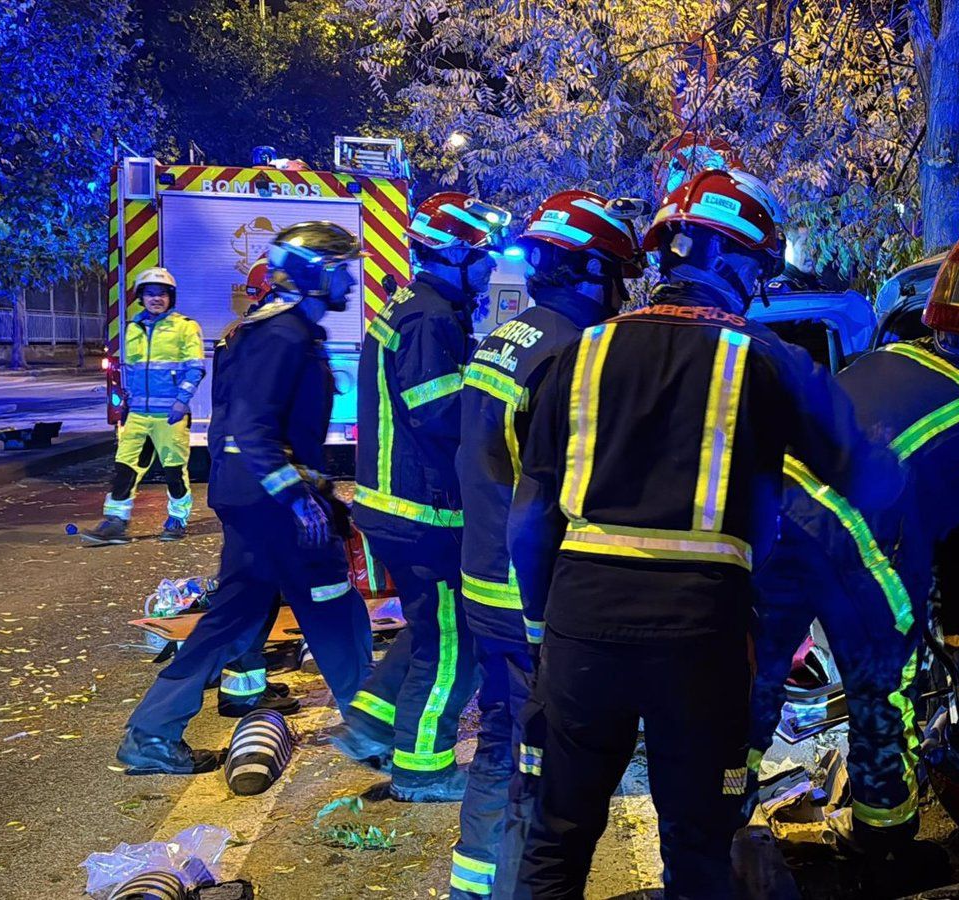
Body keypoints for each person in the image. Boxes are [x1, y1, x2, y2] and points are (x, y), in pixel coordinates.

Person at [507, 169, 901, 899]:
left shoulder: (576, 355)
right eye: (756, 266)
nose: (759, 285)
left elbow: (530, 522)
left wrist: (543, 636)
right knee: (697, 849)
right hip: (701, 640)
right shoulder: (768, 360)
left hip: (581, 630)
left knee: (556, 837)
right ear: (721, 256)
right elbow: (869, 476)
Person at [115, 222, 373, 774]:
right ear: (313, 274)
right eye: (341, 271)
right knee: (332, 605)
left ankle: (151, 733)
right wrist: (298, 499)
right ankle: (376, 731)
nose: (350, 282)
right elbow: (252, 427)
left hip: (256, 497)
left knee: (235, 615)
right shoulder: (283, 336)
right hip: (272, 504)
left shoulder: (281, 331)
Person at [447, 190, 644, 900]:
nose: (623, 293)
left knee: (501, 742)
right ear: (592, 271)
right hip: (530, 592)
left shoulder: (508, 337)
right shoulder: (573, 354)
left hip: (484, 575)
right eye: (618, 275)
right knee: (540, 764)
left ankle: (473, 884)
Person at [747, 338, 959, 860]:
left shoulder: (887, 354)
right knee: (884, 685)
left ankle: (721, 810)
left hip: (775, 509)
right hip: (850, 533)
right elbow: (956, 526)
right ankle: (886, 848)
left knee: (756, 674)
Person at [332, 191, 509, 802]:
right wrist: (503, 408)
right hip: (422, 511)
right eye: (482, 254)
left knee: (431, 625)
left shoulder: (416, 305)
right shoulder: (431, 317)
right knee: (456, 641)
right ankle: (424, 768)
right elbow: (438, 412)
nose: (490, 265)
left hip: (397, 507)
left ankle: (372, 722)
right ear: (453, 253)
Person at [81, 267, 205, 544]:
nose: (156, 298)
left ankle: (177, 519)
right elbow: (129, 370)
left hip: (170, 415)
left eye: (162, 293)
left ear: (170, 297)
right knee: (125, 467)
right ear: (141, 298)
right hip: (137, 413)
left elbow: (195, 369)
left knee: (174, 471)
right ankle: (116, 521)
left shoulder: (185, 327)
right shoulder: (132, 328)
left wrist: (181, 402)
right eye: (150, 294)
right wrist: (125, 404)